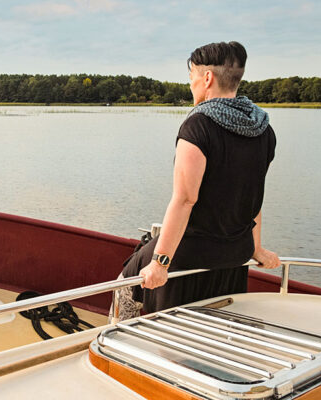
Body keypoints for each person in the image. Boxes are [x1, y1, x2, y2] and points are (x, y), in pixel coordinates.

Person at [111, 41, 281, 320]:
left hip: (192, 252)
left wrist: (160, 263)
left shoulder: (198, 126)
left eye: (191, 77)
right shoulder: (263, 129)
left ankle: (116, 346)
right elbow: (253, 195)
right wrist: (255, 248)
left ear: (207, 78)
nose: (190, 84)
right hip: (236, 252)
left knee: (124, 286)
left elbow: (186, 199)